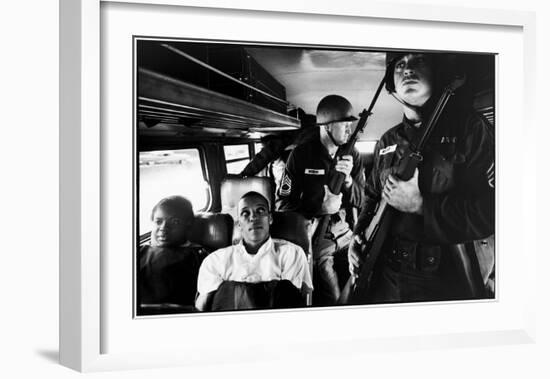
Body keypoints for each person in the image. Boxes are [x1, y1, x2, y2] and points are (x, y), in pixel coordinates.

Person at [348, 52, 495, 303]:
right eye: (400, 65)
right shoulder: (387, 140)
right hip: (386, 273)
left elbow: (492, 212)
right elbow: (372, 197)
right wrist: (357, 235)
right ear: (391, 84)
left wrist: (422, 206)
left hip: (447, 278)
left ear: (436, 72)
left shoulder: (471, 129)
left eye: (419, 61)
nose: (407, 69)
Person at [278, 95, 365, 305]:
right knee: (334, 299)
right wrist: (319, 207)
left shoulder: (352, 154)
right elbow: (283, 204)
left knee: (359, 285)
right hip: (317, 236)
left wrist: (349, 182)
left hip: (345, 232)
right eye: (344, 125)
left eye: (350, 125)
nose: (349, 130)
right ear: (327, 127)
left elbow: (363, 199)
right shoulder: (300, 155)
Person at [195, 191, 312, 311]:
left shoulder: (292, 253)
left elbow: (291, 304)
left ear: (270, 218)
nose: (253, 217)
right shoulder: (215, 260)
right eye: (245, 213)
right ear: (239, 224)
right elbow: (202, 308)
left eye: (260, 211)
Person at [139, 196, 207, 312]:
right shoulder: (139, 252)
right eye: (158, 222)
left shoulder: (199, 256)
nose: (163, 228)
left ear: (188, 224)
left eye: (175, 222)